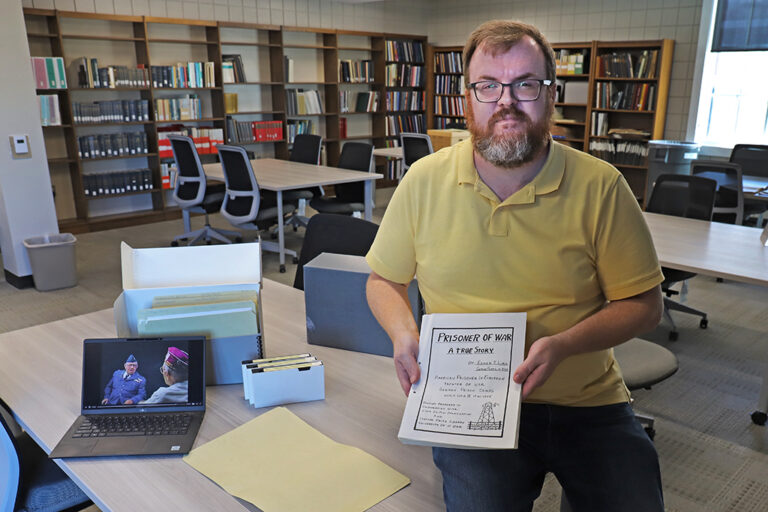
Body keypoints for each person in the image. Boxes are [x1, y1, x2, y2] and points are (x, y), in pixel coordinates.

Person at [365, 19, 665, 512]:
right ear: (466, 98)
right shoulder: (423, 181)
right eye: (488, 85)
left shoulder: (601, 186)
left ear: (550, 94)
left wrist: (566, 344)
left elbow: (645, 305)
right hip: (467, 399)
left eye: (525, 83)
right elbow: (384, 280)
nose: (506, 100)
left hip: (586, 398)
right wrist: (403, 334)